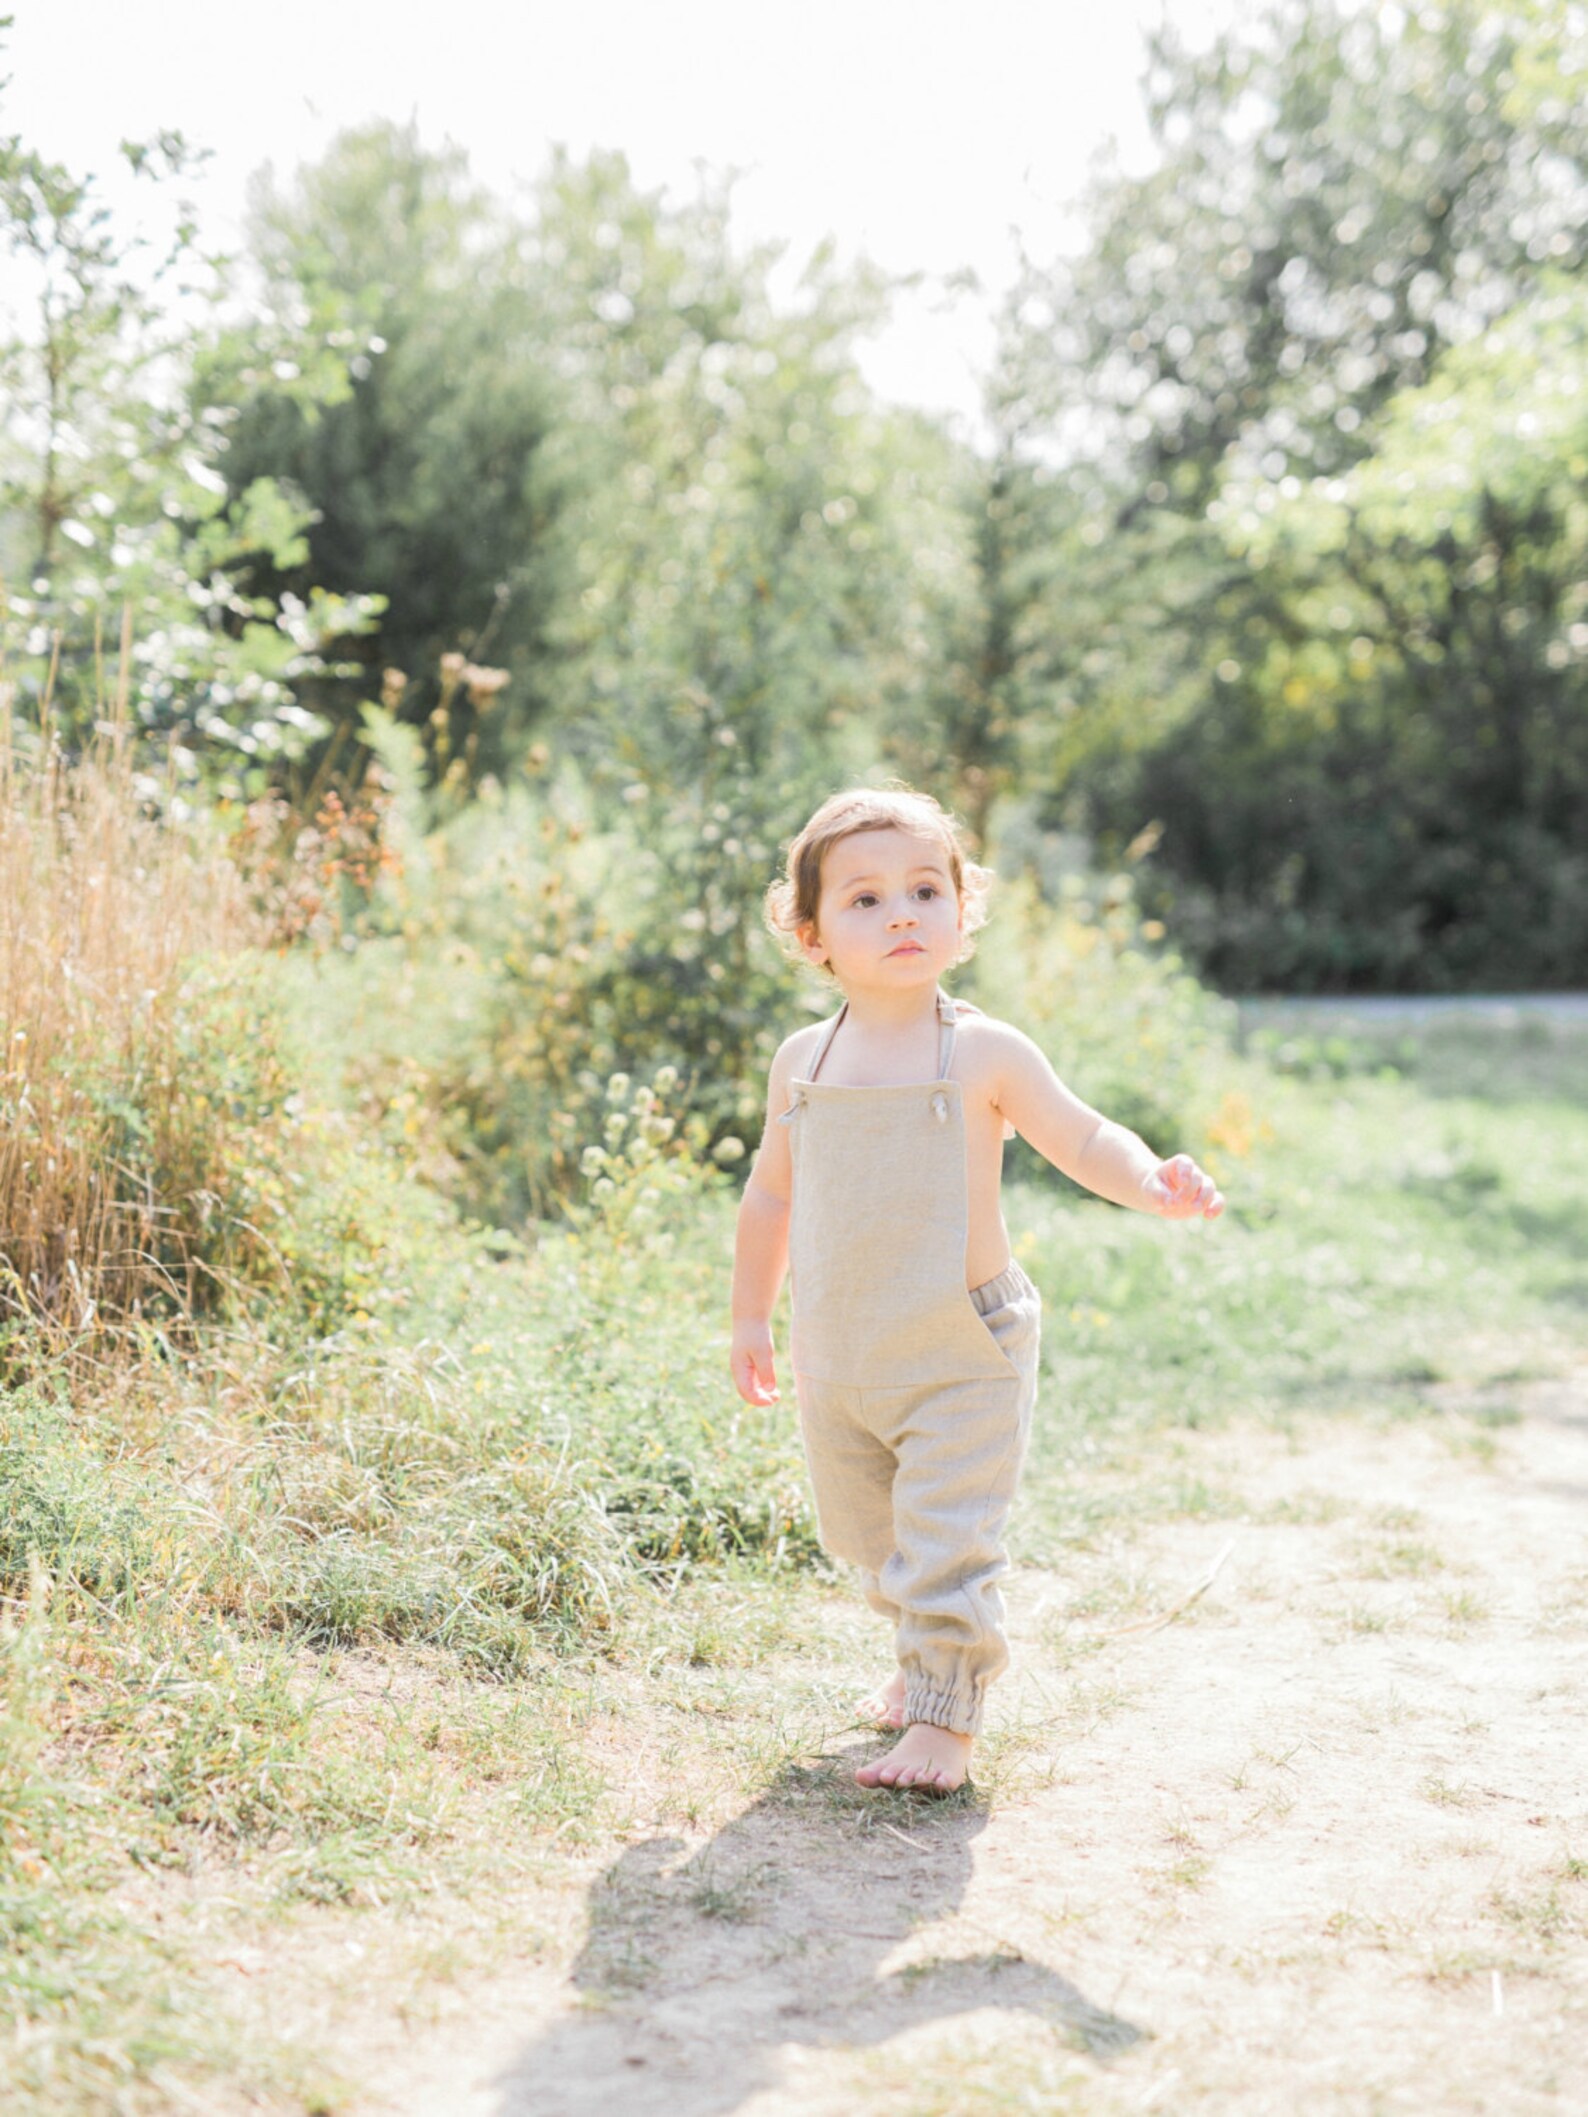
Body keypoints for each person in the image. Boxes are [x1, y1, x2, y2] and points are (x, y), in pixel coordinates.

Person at [729, 784, 1224, 1794]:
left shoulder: (984, 1051)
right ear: (811, 933)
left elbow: (1083, 1135)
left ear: (962, 911)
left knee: (945, 1537)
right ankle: (918, 1658)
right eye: (865, 899)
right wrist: (750, 1314)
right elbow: (772, 1191)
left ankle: (944, 1718)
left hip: (962, 1345)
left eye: (925, 889)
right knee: (869, 1536)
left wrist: (1149, 1182)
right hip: (841, 1346)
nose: (901, 914)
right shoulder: (804, 1060)